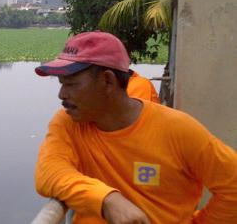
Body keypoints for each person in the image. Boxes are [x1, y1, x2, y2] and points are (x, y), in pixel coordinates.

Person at [33, 31, 237, 224]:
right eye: (61, 84)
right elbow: (49, 172)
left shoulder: (178, 129)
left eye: (72, 84)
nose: (61, 94)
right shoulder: (69, 123)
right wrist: (106, 199)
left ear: (107, 80)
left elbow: (233, 186)